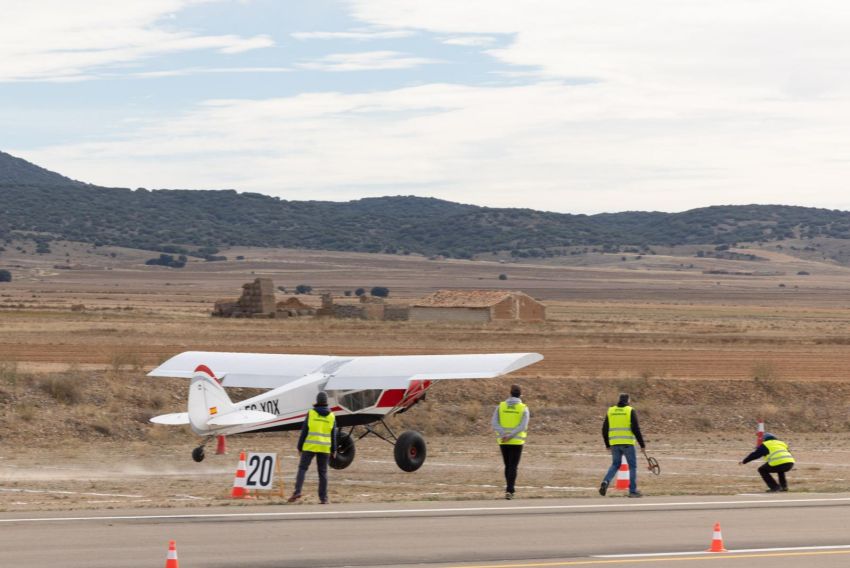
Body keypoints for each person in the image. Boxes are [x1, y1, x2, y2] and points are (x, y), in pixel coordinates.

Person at [288, 391, 337, 504]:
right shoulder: (331, 416)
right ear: (326, 402)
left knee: (302, 468)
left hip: (310, 446)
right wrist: (334, 449)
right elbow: (333, 434)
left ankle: (297, 492)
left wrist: (299, 447)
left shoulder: (311, 413)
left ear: (317, 401)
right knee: (323, 473)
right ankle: (323, 498)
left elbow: (304, 431)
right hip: (324, 448)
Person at [599, 392, 646, 498]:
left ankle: (606, 481)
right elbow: (636, 429)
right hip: (627, 444)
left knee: (615, 465)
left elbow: (604, 429)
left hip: (614, 444)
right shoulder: (630, 410)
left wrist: (607, 444)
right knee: (632, 466)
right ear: (628, 400)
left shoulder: (611, 410)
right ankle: (632, 491)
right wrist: (642, 444)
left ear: (619, 400)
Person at [492, 384, 530, 500]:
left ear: (510, 393)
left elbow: (494, 422)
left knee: (507, 466)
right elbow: (523, 426)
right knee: (513, 466)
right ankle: (510, 490)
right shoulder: (523, 408)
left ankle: (509, 489)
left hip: (503, 441)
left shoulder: (501, 406)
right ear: (520, 394)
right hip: (516, 441)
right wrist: (511, 435)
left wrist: (504, 434)